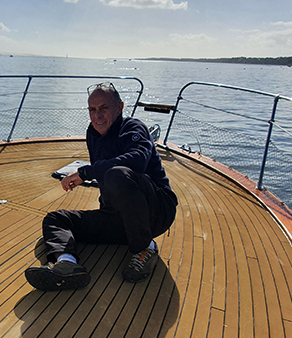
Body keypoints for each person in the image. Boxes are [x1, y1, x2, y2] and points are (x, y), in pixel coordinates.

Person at [25, 82, 178, 290]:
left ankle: (145, 248)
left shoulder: (133, 128)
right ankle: (67, 264)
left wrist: (85, 173)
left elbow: (137, 161)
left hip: (156, 212)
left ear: (120, 107)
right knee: (56, 219)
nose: (97, 116)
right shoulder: (93, 133)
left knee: (117, 174)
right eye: (92, 110)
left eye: (104, 108)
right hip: (117, 217)